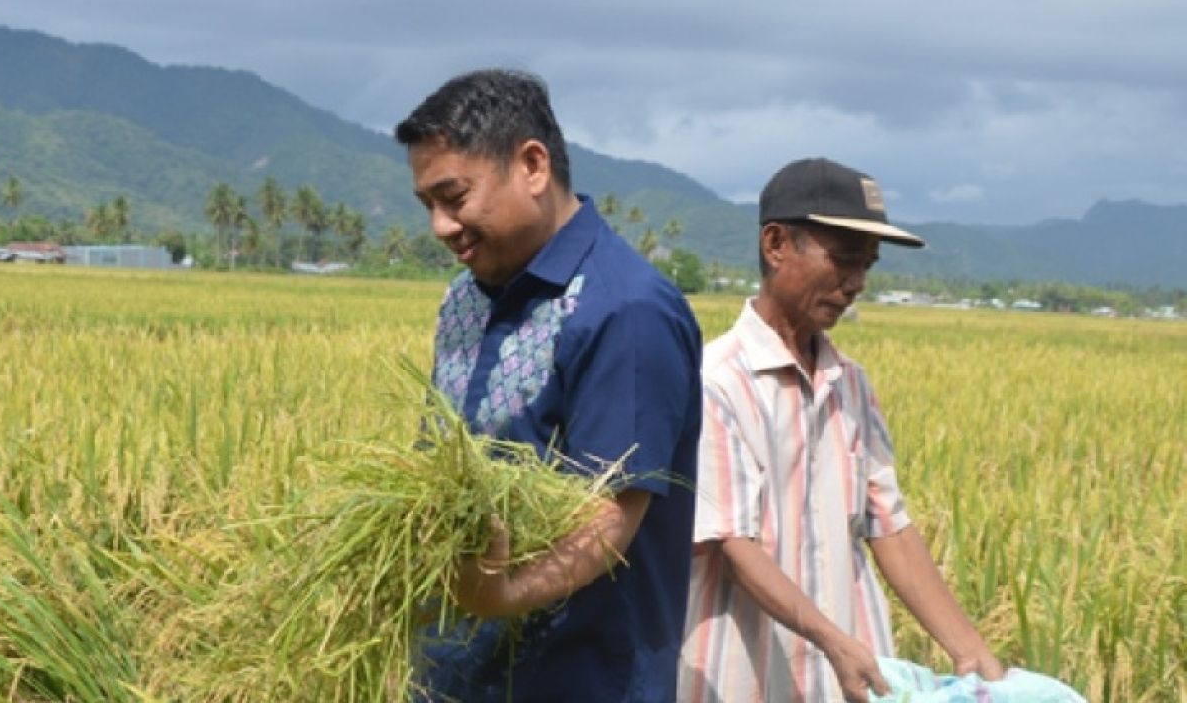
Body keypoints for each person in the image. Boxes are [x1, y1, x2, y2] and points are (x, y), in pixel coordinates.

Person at [394, 69, 703, 703]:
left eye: (454, 197)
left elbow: (610, 515)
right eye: (428, 204)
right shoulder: (464, 300)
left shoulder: (626, 309)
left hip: (580, 680)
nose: (441, 227)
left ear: (532, 166)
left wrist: (499, 594)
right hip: (457, 674)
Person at [677, 158, 1004, 703]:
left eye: (867, 266)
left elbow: (889, 524)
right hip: (745, 678)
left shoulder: (851, 383)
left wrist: (971, 652)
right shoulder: (716, 383)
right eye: (843, 261)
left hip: (848, 678)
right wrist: (832, 639)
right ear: (776, 244)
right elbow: (735, 541)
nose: (855, 284)